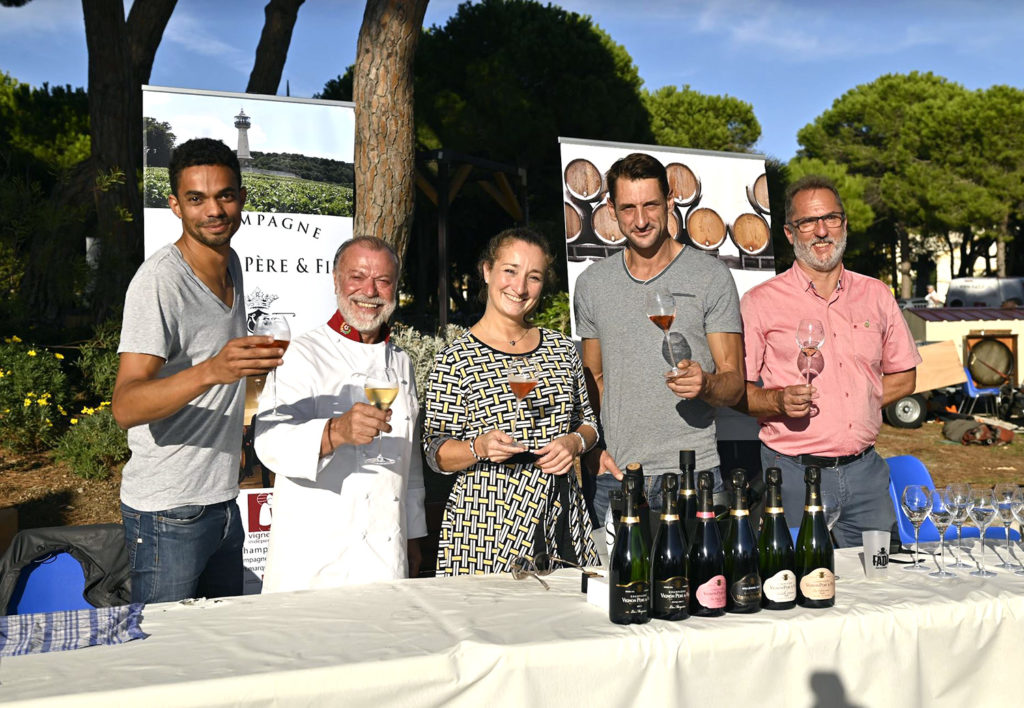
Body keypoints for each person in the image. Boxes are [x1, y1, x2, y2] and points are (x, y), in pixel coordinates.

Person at [112, 138, 281, 603]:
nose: (214, 210)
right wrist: (213, 370)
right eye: (196, 198)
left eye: (224, 195)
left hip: (223, 499)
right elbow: (125, 406)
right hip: (169, 510)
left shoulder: (232, 265)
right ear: (174, 205)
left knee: (217, 651)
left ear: (242, 198)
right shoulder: (160, 281)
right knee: (166, 657)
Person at [738, 174, 921, 547]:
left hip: (866, 475)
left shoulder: (876, 295)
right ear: (790, 233)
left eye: (831, 219)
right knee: (795, 589)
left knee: (878, 583)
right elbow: (735, 390)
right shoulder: (760, 302)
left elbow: (904, 377)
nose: (821, 231)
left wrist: (855, 402)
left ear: (844, 224)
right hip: (790, 474)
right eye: (808, 222)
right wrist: (776, 401)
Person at [573, 153, 744, 522]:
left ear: (670, 202)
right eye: (628, 207)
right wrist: (591, 451)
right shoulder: (592, 285)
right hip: (616, 478)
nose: (641, 220)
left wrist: (706, 384)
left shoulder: (711, 277)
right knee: (616, 582)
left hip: (694, 478)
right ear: (611, 210)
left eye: (651, 204)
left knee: (699, 582)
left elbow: (734, 384)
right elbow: (592, 381)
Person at [423, 228, 600, 575]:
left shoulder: (562, 349)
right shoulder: (454, 359)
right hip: (486, 527)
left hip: (560, 518)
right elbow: (434, 451)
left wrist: (574, 441)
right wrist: (479, 447)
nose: (519, 288)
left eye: (533, 277)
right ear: (487, 271)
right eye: (510, 271)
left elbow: (590, 423)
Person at [255, 237, 426, 592]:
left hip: (385, 548)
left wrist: (413, 535)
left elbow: (409, 462)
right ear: (335, 281)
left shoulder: (401, 363)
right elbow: (269, 441)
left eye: (383, 280)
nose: (370, 291)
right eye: (357, 277)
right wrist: (334, 432)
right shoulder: (302, 353)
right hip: (316, 554)